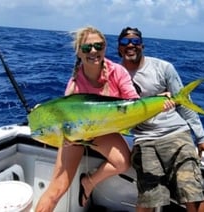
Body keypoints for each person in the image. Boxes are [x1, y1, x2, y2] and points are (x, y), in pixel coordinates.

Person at [35, 26, 141, 211]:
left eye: (98, 46)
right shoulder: (74, 85)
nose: (93, 51)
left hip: (103, 131)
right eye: (87, 48)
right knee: (56, 190)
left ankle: (89, 182)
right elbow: (62, 119)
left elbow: (134, 102)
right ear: (79, 52)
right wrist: (64, 137)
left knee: (123, 163)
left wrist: (160, 102)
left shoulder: (118, 72)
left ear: (105, 48)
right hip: (77, 134)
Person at [117, 27, 204, 212]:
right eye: (125, 42)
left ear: (142, 46)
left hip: (176, 134)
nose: (130, 45)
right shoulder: (115, 75)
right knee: (148, 197)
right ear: (119, 48)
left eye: (135, 42)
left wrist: (201, 138)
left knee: (192, 192)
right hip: (144, 140)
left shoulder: (163, 67)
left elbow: (184, 104)